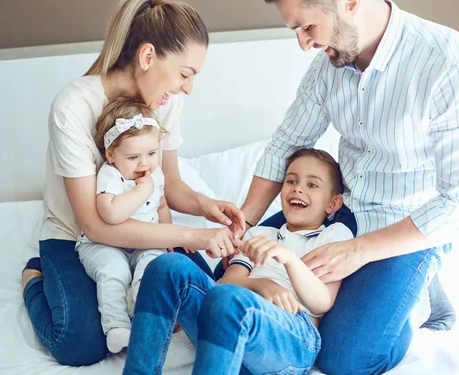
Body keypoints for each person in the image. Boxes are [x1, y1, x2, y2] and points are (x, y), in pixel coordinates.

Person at [236, 0, 459, 373]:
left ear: (351, 2)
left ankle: (423, 290)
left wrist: (358, 250)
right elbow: (285, 144)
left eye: (307, 26)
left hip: (407, 225)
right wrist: (246, 223)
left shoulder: (454, 65)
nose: (304, 43)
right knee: (233, 269)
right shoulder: (329, 66)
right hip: (342, 207)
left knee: (345, 358)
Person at [21, 0, 244, 366]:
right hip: (77, 236)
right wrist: (190, 235)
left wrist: (208, 207)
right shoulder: (73, 107)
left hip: (142, 229)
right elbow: (95, 226)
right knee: (80, 344)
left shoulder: (164, 102)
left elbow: (170, 187)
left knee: (202, 310)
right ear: (147, 56)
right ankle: (32, 279)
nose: (188, 89)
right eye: (184, 74)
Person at [123, 148, 354, 375]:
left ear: (332, 204)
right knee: (166, 266)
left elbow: (322, 302)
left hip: (293, 337)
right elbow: (226, 286)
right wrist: (262, 284)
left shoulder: (335, 235)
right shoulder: (260, 235)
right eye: (291, 181)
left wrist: (290, 260)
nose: (298, 189)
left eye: (312, 185)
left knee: (230, 300)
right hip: (227, 328)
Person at [75, 97, 171, 353]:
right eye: (133, 156)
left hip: (144, 242)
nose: (144, 163)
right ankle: (116, 327)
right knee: (114, 271)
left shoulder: (155, 173)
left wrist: (169, 236)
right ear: (111, 154)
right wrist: (143, 189)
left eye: (151, 153)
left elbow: (161, 206)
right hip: (104, 244)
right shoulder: (110, 174)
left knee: (152, 266)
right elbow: (111, 213)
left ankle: (145, 311)